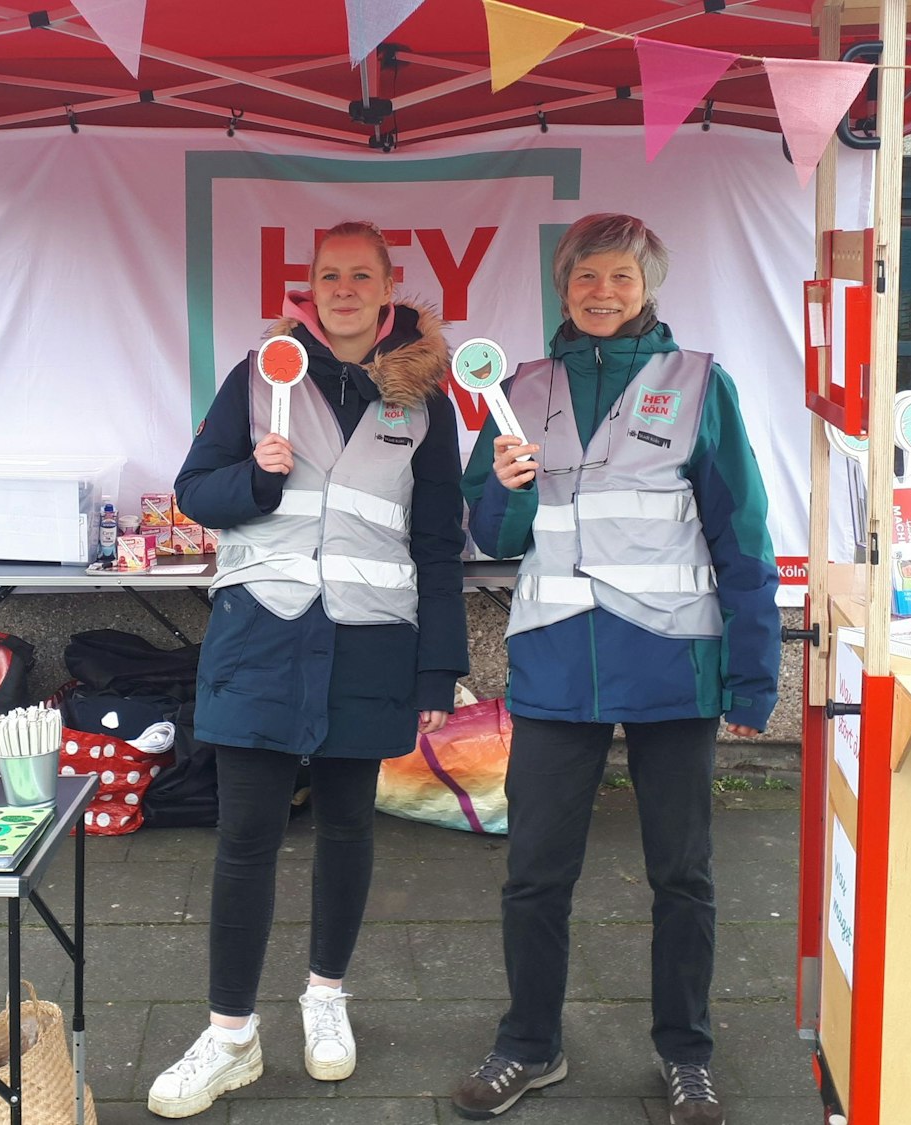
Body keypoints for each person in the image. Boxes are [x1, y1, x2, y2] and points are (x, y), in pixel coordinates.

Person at [450, 214, 780, 1125]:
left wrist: (754, 675)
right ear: (564, 286)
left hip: (675, 657)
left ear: (649, 288)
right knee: (534, 871)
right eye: (587, 277)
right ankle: (529, 1043)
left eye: (622, 279)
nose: (602, 293)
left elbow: (742, 532)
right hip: (558, 653)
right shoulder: (519, 388)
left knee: (684, 873)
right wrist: (504, 486)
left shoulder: (700, 382)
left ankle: (687, 1054)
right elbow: (495, 537)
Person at [148, 221, 469, 1118]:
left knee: (347, 830)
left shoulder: (425, 403)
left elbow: (438, 543)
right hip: (263, 638)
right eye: (329, 274)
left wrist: (439, 670)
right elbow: (194, 491)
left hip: (372, 643)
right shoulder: (258, 377)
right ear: (310, 285)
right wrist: (254, 474)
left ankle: (326, 1000)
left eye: (360, 275)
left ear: (390, 285)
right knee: (245, 838)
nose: (343, 289)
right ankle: (231, 1035)